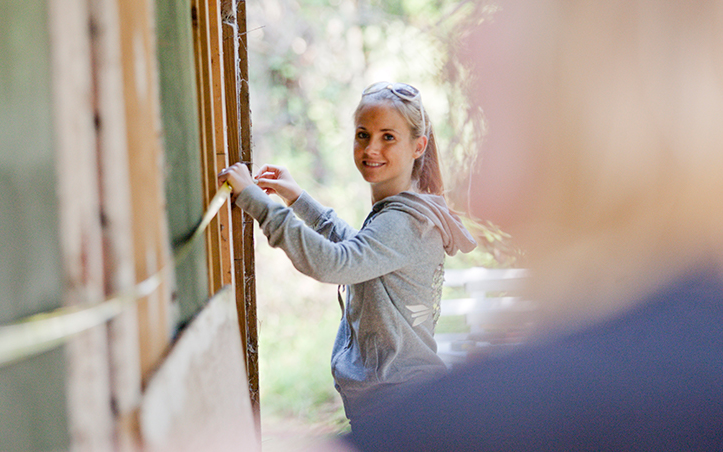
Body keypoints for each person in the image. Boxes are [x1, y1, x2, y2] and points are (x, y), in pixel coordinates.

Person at [317, 1, 723, 450]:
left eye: (509, 13)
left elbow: (341, 259)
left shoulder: (522, 411)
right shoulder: (674, 348)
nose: (469, 42)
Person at [218, 82, 476, 428]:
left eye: (388, 137)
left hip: (400, 409)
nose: (371, 148)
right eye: (362, 134)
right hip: (400, 402)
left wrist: (256, 200)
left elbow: (335, 263)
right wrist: (298, 199)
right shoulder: (401, 214)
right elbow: (360, 253)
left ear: (418, 146)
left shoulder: (403, 222)